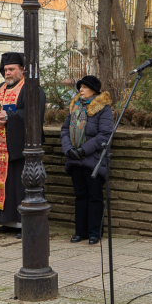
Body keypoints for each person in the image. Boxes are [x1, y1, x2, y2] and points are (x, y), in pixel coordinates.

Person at [0, 52, 45, 237]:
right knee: (3, 184)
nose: (7, 73)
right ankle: (5, 221)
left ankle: (24, 224)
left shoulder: (32, 88)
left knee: (19, 186)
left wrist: (9, 117)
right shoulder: (0, 88)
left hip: (19, 148)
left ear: (22, 70)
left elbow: (33, 113)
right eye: (5, 70)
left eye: (11, 69)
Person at [60, 75, 112, 245]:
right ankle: (80, 232)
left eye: (84, 87)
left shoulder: (103, 110)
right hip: (74, 159)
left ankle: (94, 233)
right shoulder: (74, 107)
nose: (80, 90)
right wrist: (69, 149)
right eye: (80, 87)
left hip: (93, 160)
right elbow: (64, 131)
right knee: (80, 196)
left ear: (94, 91)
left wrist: (83, 150)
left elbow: (104, 135)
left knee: (95, 196)